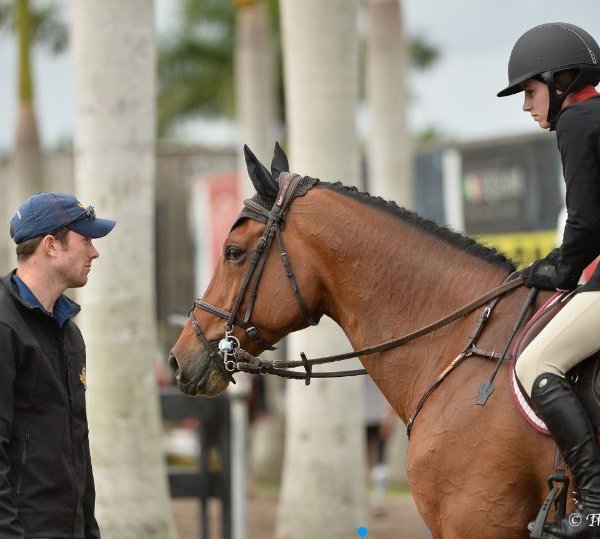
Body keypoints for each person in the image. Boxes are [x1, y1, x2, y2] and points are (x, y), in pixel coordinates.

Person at [498, 23, 600, 538]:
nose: (525, 106)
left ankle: (595, 504)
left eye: (530, 92)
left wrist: (556, 270)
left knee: (536, 360)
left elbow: (586, 224)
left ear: (562, 81)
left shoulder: (579, 120)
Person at [0, 193, 115, 538]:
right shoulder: (4, 328)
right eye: (85, 240)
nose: (94, 252)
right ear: (51, 245)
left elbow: (78, 445)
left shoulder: (70, 333)